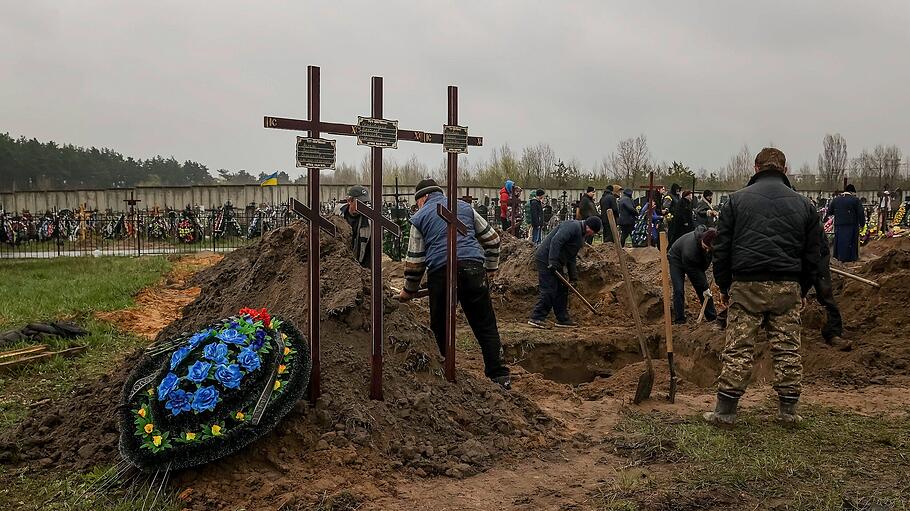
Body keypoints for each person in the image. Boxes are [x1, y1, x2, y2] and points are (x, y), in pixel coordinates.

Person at [706, 147, 822, 427]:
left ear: (756, 168)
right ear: (785, 169)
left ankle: (726, 411)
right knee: (787, 348)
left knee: (739, 346)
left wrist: (723, 285)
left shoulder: (734, 202)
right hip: (787, 285)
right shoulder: (804, 205)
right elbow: (814, 254)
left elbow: (721, 249)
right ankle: (789, 411)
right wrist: (803, 288)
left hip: (747, 284)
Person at [400, 179, 511, 389]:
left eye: (418, 203)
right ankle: (500, 376)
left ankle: (442, 376)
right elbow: (493, 239)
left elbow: (415, 261)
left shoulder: (420, 216)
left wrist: (408, 291)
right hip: (473, 268)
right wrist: (490, 268)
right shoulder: (464, 207)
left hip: (441, 272)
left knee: (440, 327)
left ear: (422, 198)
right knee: (485, 325)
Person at [528, 216, 602, 329]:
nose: (592, 235)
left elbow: (571, 257)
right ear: (589, 227)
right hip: (545, 258)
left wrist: (573, 277)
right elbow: (556, 241)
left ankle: (562, 319)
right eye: (593, 232)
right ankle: (537, 317)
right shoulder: (572, 226)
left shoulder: (581, 236)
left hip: (557, 261)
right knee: (549, 288)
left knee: (562, 289)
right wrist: (552, 262)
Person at [668, 226, 718, 324]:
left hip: (694, 262)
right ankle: (679, 319)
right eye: (705, 248)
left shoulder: (712, 239)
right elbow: (695, 276)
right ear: (701, 241)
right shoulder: (690, 251)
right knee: (679, 289)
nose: (707, 251)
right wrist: (704, 287)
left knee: (704, 290)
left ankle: (711, 317)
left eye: (709, 249)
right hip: (676, 259)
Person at [813, 222, 847, 350]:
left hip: (814, 252)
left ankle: (833, 333)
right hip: (782, 258)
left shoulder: (804, 208)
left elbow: (820, 244)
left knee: (824, 292)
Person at [828, 185, 864, 262]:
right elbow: (861, 213)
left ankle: (839, 257)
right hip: (851, 225)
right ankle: (851, 259)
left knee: (840, 241)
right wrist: (862, 224)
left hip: (839, 225)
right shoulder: (855, 200)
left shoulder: (836, 200)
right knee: (851, 242)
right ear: (851, 192)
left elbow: (829, 211)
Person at [340, 185, 372, 268]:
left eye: (365, 203)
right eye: (360, 203)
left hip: (359, 265)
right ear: (350, 201)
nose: (364, 207)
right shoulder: (338, 213)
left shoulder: (369, 223)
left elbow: (369, 253)